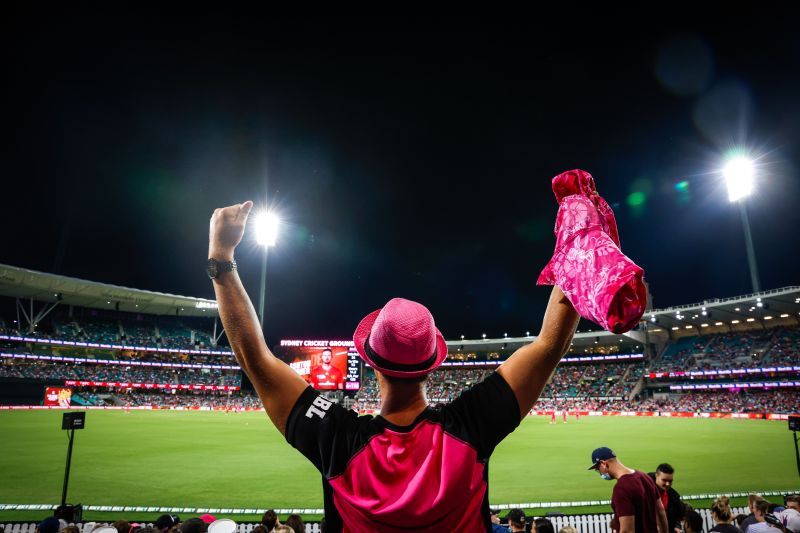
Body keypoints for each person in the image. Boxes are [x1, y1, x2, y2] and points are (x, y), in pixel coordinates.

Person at [208, 201, 581, 532]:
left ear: (372, 365)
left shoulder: (337, 438)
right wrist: (583, 249)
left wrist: (221, 254)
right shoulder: (472, 424)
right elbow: (549, 345)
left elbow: (255, 357)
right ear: (432, 365)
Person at [588, 447, 668, 533]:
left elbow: (627, 530)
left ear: (603, 464)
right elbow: (661, 511)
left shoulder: (621, 488)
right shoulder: (644, 477)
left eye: (597, 468)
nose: (600, 472)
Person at [648, 463, 684, 533]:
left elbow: (677, 516)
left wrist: (677, 526)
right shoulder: (644, 491)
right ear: (656, 476)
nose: (667, 484)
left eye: (670, 481)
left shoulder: (674, 496)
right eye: (664, 480)